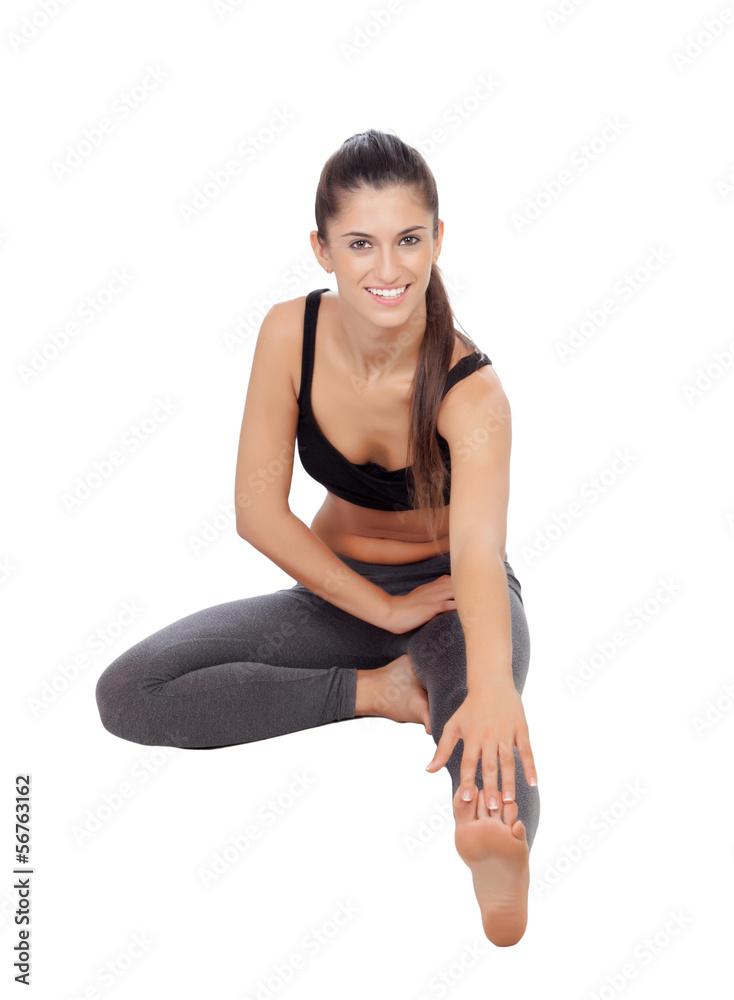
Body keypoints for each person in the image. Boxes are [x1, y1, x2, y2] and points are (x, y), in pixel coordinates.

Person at [95, 128, 540, 947]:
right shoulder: (287, 335)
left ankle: (496, 855)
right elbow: (258, 511)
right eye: (361, 244)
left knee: (481, 721)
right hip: (338, 596)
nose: (389, 268)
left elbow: (477, 553)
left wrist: (495, 686)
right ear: (322, 249)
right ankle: (377, 692)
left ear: (438, 240)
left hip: (452, 601)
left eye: (410, 240)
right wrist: (378, 615)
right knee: (128, 692)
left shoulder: (474, 394)